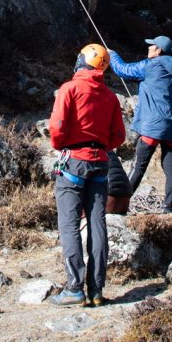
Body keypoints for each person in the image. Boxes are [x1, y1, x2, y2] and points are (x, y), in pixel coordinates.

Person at [47, 43, 125, 307]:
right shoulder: (111, 97)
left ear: (82, 61)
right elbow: (119, 137)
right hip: (101, 163)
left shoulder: (69, 89)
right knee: (97, 224)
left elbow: (56, 128)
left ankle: (74, 287)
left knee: (69, 224)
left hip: (73, 163)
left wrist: (63, 145)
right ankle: (96, 289)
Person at [108, 35, 172, 213]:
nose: (148, 48)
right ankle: (169, 208)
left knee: (138, 166)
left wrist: (112, 55)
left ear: (158, 50)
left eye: (152, 46)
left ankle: (120, 204)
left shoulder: (152, 65)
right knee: (170, 167)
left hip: (153, 127)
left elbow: (122, 70)